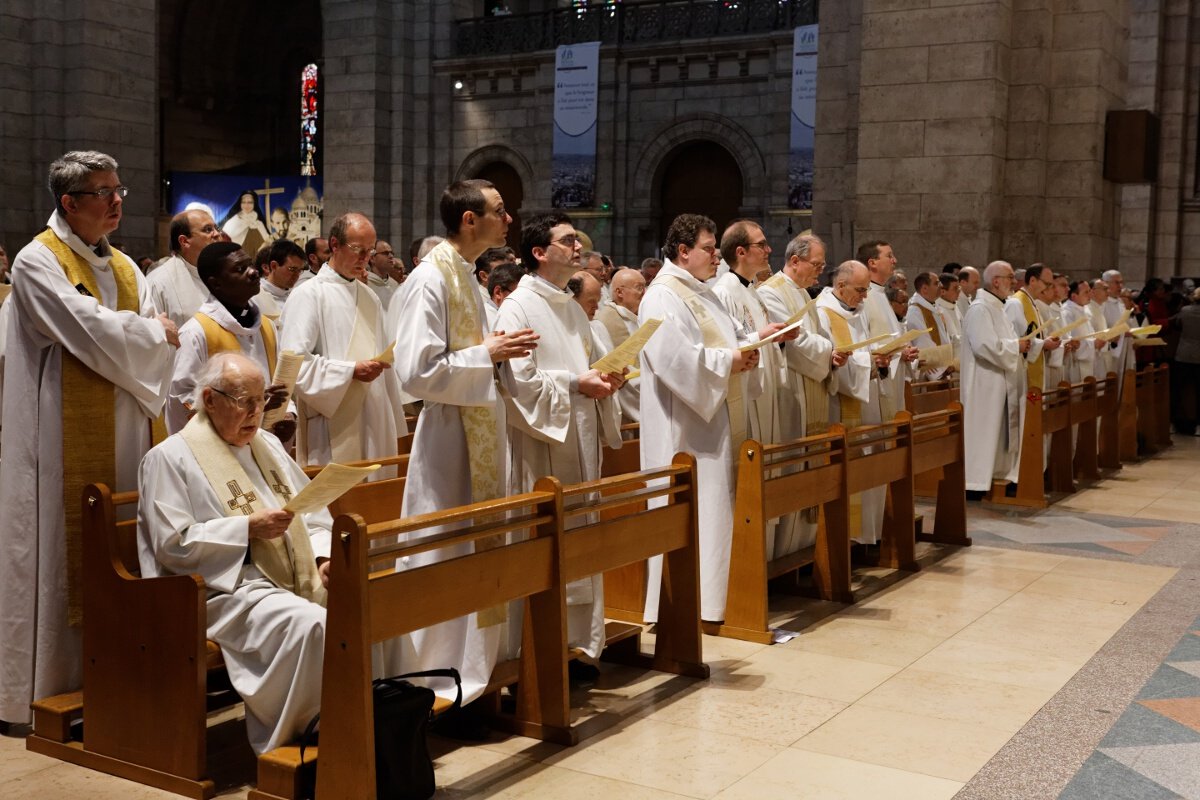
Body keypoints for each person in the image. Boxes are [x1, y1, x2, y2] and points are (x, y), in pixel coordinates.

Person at [0, 150, 179, 725]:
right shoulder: (36, 261)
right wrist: (150, 332)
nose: (117, 201)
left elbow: (146, 335)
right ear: (68, 203)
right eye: (103, 193)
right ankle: (51, 684)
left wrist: (149, 334)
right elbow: (86, 327)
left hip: (131, 421)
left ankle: (120, 668)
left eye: (119, 189)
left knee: (125, 535)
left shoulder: (126, 267)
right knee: (63, 543)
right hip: (60, 431)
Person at [391, 179, 538, 708]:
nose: (510, 220)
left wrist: (500, 354)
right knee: (443, 554)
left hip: (478, 431)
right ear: (470, 220)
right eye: (500, 211)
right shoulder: (430, 279)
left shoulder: (467, 280)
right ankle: (433, 680)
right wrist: (489, 354)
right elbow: (414, 371)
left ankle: (470, 674)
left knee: (471, 552)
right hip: (448, 441)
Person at [139, 352, 330, 754]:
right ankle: (298, 744)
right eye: (245, 401)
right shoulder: (168, 459)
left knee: (365, 597)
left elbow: (310, 510)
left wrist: (322, 559)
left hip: (289, 576)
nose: (256, 413)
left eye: (262, 401)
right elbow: (173, 544)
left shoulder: (269, 449)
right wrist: (246, 529)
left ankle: (366, 720)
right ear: (210, 399)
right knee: (311, 624)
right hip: (221, 590)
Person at [497, 211, 623, 662]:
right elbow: (519, 382)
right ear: (538, 252)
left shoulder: (570, 306)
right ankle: (533, 652)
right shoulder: (517, 306)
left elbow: (588, 364)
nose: (578, 247)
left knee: (580, 534)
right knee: (543, 542)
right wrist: (576, 384)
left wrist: (608, 379)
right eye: (567, 240)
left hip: (579, 435)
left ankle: (577, 645)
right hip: (541, 445)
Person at [637, 213, 765, 624]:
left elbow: (722, 339)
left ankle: (714, 601)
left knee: (715, 509)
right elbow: (673, 360)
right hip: (684, 427)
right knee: (694, 510)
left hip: (713, 418)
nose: (717, 257)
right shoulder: (661, 296)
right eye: (710, 249)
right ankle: (686, 605)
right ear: (682, 251)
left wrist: (754, 343)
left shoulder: (703, 292)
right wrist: (732, 358)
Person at [280, 212, 406, 469]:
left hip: (375, 416)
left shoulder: (369, 296)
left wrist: (393, 418)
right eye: (358, 250)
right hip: (332, 420)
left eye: (370, 251)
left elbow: (385, 366)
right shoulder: (308, 295)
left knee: (377, 497)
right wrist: (350, 372)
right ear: (334, 245)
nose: (365, 259)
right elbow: (294, 365)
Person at [714, 220, 803, 559]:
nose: (769, 250)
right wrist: (765, 337)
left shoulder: (750, 290)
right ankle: (748, 565)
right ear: (741, 251)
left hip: (765, 397)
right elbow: (730, 346)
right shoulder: (725, 291)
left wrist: (776, 339)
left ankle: (762, 563)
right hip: (747, 398)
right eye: (762, 244)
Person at [168, 242, 295, 442]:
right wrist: (250, 407)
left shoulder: (267, 327)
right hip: (219, 449)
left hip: (264, 444)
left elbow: (279, 384)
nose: (253, 272)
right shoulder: (196, 333)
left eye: (250, 264)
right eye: (239, 269)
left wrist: (289, 413)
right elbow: (182, 401)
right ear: (216, 283)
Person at [815, 261, 887, 545]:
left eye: (867, 290)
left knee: (869, 467)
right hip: (841, 406)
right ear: (841, 286)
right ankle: (846, 538)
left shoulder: (859, 312)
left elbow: (863, 351)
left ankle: (867, 534)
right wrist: (871, 362)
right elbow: (834, 362)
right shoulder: (823, 314)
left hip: (867, 403)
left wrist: (882, 360)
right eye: (860, 289)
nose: (865, 296)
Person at [961, 261, 1032, 496]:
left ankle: (996, 476)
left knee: (997, 432)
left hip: (999, 382)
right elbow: (984, 346)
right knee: (984, 432)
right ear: (996, 281)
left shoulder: (998, 308)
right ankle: (975, 483)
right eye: (1010, 277)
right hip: (984, 385)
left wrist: (1025, 345)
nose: (1014, 282)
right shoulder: (980, 309)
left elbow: (1008, 341)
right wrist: (1017, 346)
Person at [857, 240, 919, 420]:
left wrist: (904, 351)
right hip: (875, 383)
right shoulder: (862, 296)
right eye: (889, 256)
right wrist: (900, 353)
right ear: (872, 262)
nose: (895, 260)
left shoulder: (880, 294)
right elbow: (862, 340)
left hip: (892, 379)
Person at [147, 208, 223, 327]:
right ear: (184, 241)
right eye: (208, 230)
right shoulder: (158, 282)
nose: (217, 234)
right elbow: (154, 334)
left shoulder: (225, 273)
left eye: (216, 228)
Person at [594, 267, 647, 423]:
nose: (644, 292)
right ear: (620, 292)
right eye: (639, 288)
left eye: (645, 287)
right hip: (625, 404)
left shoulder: (639, 316)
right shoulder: (604, 321)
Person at [906, 271, 952, 380]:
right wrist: (943, 369)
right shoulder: (915, 311)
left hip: (945, 367)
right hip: (931, 373)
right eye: (936, 283)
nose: (941, 286)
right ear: (925, 289)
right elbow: (923, 343)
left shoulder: (933, 308)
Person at [254, 238, 307, 326]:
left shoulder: (297, 295)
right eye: (292, 269)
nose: (297, 275)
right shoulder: (255, 296)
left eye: (299, 270)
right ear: (274, 266)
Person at [221, 190, 272, 255]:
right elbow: (225, 240)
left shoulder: (259, 223)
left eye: (250, 202)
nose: (246, 205)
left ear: (254, 204)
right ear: (240, 204)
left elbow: (268, 240)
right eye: (243, 202)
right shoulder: (234, 221)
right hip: (239, 257)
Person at [366, 239, 404, 312]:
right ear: (372, 258)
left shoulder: (395, 284)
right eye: (386, 253)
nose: (391, 256)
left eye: (391, 253)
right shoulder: (365, 283)